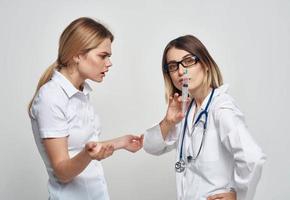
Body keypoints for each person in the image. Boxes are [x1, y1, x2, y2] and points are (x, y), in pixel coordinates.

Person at [28, 17, 143, 200]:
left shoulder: (80, 93)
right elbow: (62, 172)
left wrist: (121, 142)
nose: (109, 63)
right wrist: (88, 156)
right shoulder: (51, 97)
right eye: (103, 55)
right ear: (77, 54)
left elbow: (84, 147)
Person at [143, 35, 266, 200]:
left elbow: (253, 158)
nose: (180, 71)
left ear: (206, 64)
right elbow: (151, 146)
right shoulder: (186, 111)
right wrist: (168, 122)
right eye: (173, 66)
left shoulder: (221, 108)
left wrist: (238, 195)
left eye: (188, 61)